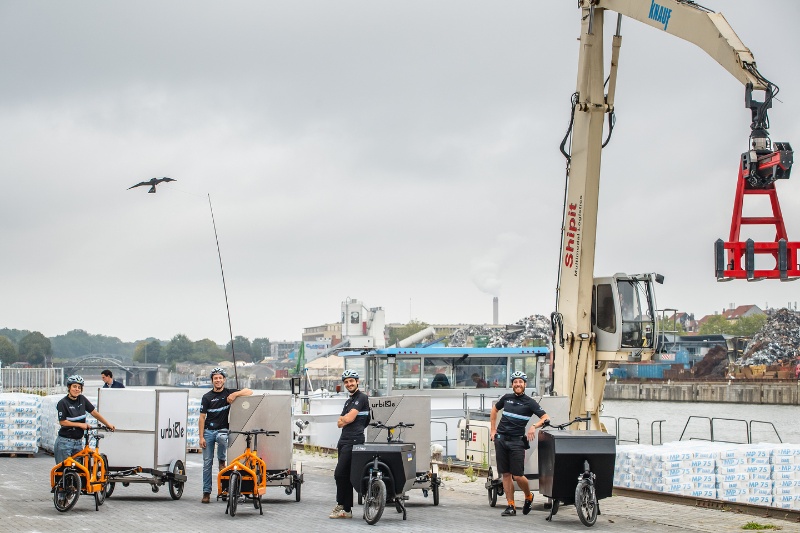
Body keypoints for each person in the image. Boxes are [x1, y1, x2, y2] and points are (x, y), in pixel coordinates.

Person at [489, 370, 550, 517]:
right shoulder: (507, 398)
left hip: (517, 442)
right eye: (515, 382)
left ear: (525, 385)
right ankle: (511, 506)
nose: (518, 384)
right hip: (501, 439)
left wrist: (534, 426)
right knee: (506, 474)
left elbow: (546, 418)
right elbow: (494, 410)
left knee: (517, 475)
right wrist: (493, 430)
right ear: (512, 384)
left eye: (520, 382)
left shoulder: (530, 402)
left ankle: (528, 496)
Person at [198, 367, 253, 504]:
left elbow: (249, 391)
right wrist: (201, 437)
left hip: (223, 430)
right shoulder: (206, 397)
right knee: (207, 464)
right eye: (215, 378)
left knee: (222, 439)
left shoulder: (229, 393)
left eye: (220, 378)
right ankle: (206, 492)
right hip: (208, 432)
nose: (218, 380)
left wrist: (235, 395)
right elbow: (201, 418)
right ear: (212, 381)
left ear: (224, 380)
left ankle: (222, 462)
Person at [330, 369, 370, 519]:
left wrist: (345, 419)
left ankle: (342, 505)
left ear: (357, 381)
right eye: (346, 382)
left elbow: (348, 419)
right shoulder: (349, 401)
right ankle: (346, 509)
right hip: (344, 440)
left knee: (339, 474)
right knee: (344, 475)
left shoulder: (362, 398)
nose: (349, 384)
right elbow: (339, 423)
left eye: (351, 381)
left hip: (354, 440)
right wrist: (344, 419)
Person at [55, 375, 116, 464]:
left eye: (79, 387)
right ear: (69, 387)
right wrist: (80, 425)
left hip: (78, 442)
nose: (77, 389)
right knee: (63, 471)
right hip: (65, 442)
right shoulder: (63, 403)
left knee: (79, 472)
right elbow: (63, 422)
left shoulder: (82, 399)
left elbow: (94, 412)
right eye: (74, 386)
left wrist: (107, 424)